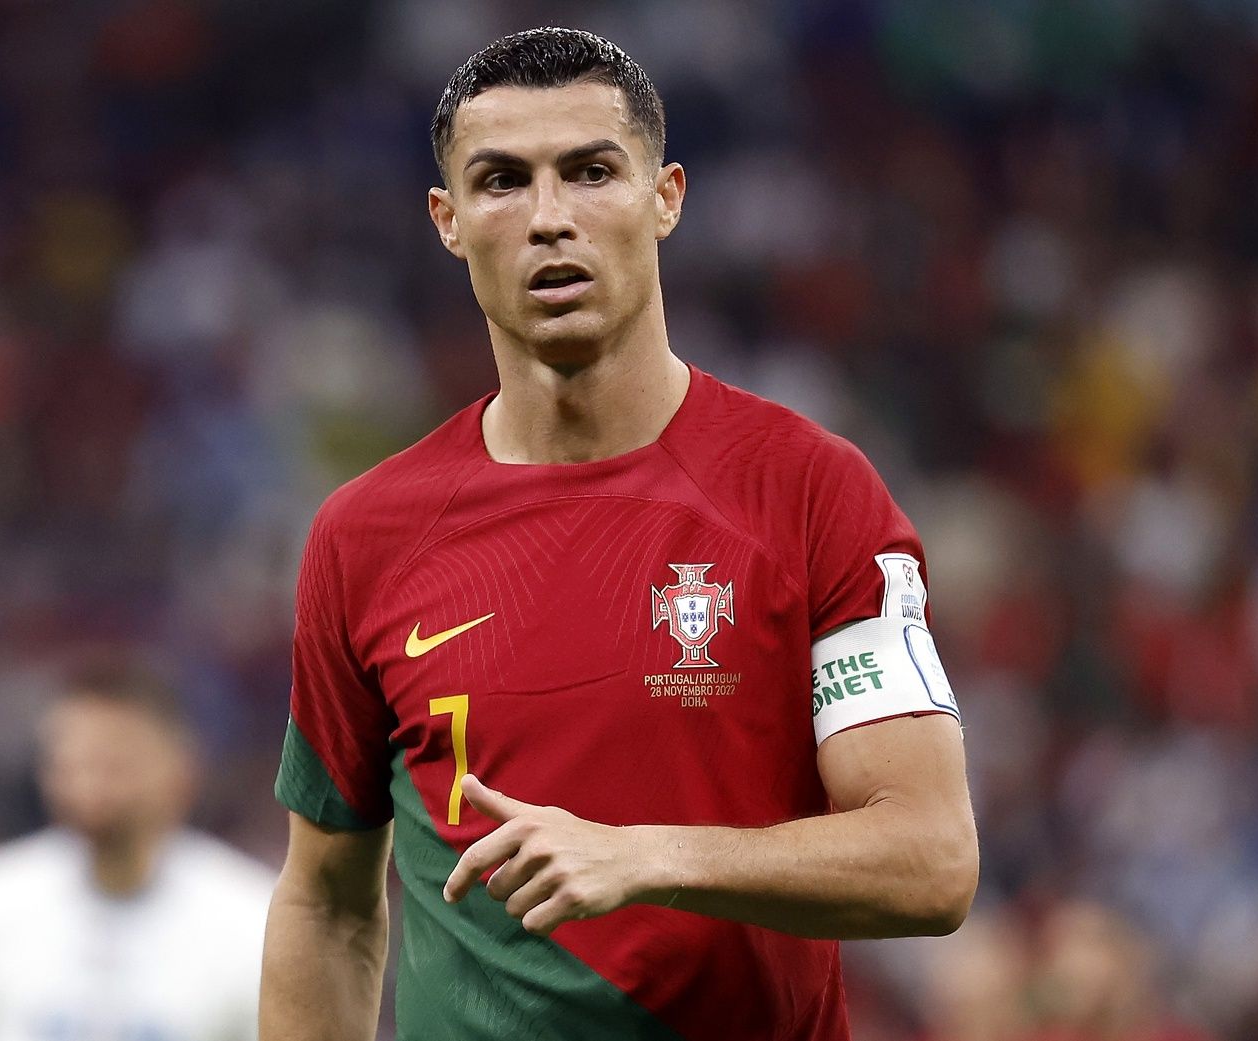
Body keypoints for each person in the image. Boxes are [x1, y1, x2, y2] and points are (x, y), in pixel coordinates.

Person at [261, 26, 978, 1041]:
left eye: (591, 172)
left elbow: (932, 861)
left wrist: (650, 856)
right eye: (502, 181)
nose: (550, 218)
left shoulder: (812, 493)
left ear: (667, 197)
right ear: (448, 221)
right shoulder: (365, 535)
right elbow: (325, 904)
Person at [0, 662, 276, 1041]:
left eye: (112, 762)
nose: (88, 785)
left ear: (181, 770)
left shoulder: (249, 916)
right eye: (70, 762)